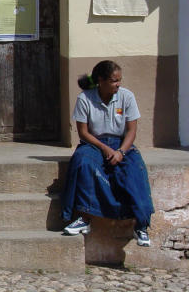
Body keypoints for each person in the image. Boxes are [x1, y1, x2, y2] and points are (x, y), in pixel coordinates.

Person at [61, 60, 154, 246]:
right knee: (83, 163)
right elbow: (83, 133)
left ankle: (141, 224)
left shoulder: (127, 97)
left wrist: (120, 151)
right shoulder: (85, 99)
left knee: (134, 171)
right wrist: (105, 149)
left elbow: (131, 131)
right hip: (94, 143)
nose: (118, 84)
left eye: (119, 80)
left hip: (122, 144)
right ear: (101, 81)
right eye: (114, 80)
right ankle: (84, 217)